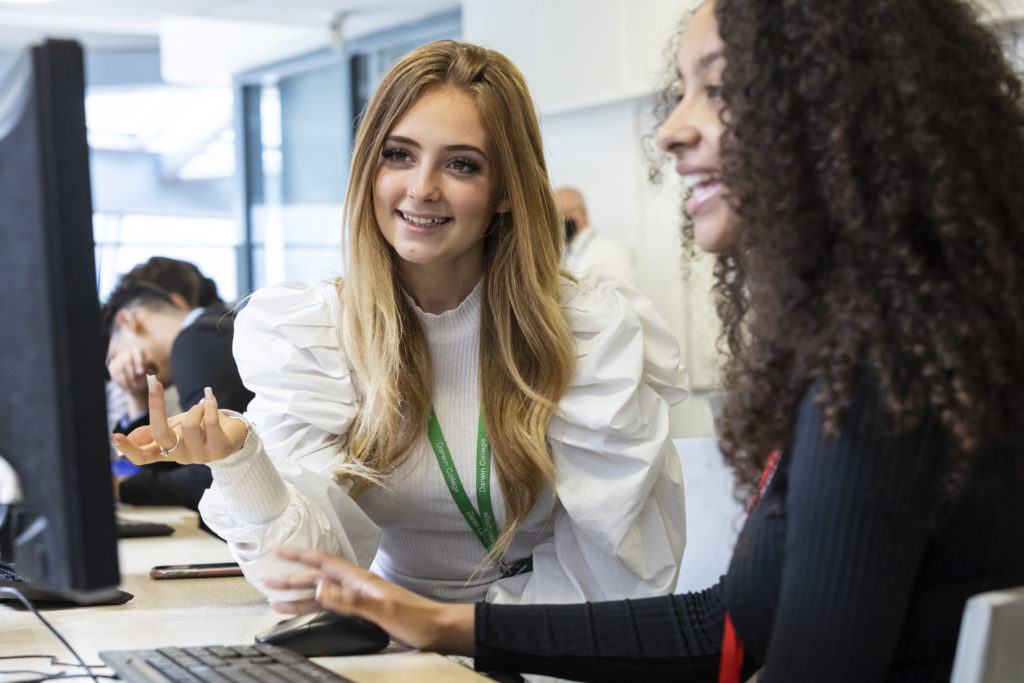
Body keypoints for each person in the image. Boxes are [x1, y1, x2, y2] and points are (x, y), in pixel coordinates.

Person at [256, 1, 1024, 681]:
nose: (670, 128)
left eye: (716, 91)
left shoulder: (883, 380)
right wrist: (441, 623)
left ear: (840, 117)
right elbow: (718, 627)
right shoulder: (906, 346)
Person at [112, 40, 688, 608]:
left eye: (462, 164)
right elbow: (300, 584)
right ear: (369, 168)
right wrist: (240, 463)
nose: (421, 188)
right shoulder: (319, 332)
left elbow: (616, 578)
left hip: (543, 654)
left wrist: (459, 640)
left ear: (508, 190)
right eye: (399, 154)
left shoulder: (587, 332)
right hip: (391, 648)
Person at [104, 279, 253, 509]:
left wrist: (120, 488)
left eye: (115, 353)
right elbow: (178, 457)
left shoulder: (196, 341)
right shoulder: (215, 328)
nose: (119, 366)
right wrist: (136, 394)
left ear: (127, 321)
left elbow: (213, 474)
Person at [555, 186, 633, 284]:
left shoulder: (608, 251)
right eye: (554, 216)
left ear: (583, 214)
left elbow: (616, 296)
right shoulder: (563, 252)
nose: (558, 221)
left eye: (563, 213)